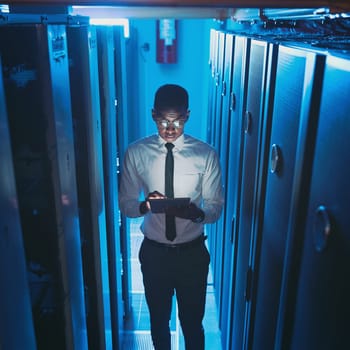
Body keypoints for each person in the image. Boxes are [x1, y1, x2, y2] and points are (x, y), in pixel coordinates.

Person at [119, 84, 224, 350]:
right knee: (158, 323)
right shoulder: (136, 152)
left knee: (192, 324)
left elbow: (215, 208)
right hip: (155, 254)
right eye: (164, 120)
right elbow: (126, 205)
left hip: (192, 255)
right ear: (153, 114)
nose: (170, 128)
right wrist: (145, 206)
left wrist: (197, 213)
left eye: (177, 121)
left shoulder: (206, 155)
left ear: (187, 115)